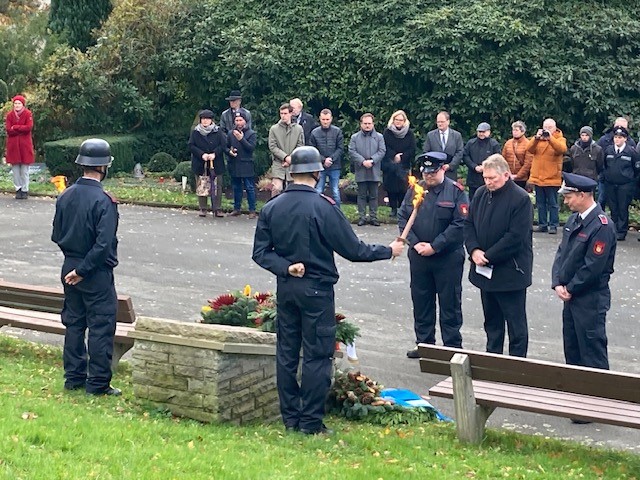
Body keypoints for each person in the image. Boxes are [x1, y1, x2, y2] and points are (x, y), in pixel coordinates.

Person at [252, 146, 404, 435]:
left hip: (287, 289)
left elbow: (260, 253)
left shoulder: (272, 207)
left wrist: (286, 268)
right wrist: (388, 250)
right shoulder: (323, 206)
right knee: (317, 355)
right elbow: (354, 249)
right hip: (317, 292)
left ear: (292, 172)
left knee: (286, 353)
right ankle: (310, 422)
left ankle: (291, 419)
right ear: (317, 172)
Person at [51, 138, 121, 396]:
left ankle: (73, 377)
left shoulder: (65, 195)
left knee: (74, 324)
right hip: (95, 272)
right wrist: (83, 271)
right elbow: (103, 245)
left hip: (69, 264)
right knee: (101, 325)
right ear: (104, 167)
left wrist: (74, 265)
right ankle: (98, 384)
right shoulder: (104, 201)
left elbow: (57, 235)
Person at [400, 152, 468, 358]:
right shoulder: (415, 190)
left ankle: (452, 348)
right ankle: (425, 344)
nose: (429, 176)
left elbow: (460, 224)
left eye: (433, 172)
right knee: (421, 302)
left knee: (450, 304)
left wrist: (435, 246)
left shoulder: (456, 192)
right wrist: (415, 242)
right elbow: (403, 217)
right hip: (420, 256)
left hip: (447, 257)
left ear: (443, 169)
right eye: (426, 172)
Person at [464, 154, 533, 357]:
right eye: (485, 178)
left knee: (515, 324)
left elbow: (516, 237)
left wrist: (488, 256)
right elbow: (469, 224)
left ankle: (517, 365)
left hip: (510, 272)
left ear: (506, 175)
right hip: (484, 271)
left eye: (492, 178)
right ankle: (492, 359)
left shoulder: (520, 199)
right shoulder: (480, 194)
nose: (488, 182)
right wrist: (474, 250)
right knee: (491, 322)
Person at [552, 172, 616, 373]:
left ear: (582, 195)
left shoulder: (601, 225)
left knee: (592, 354)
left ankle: (599, 401)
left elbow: (593, 266)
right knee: (572, 351)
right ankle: (574, 399)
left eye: (569, 196)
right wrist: (557, 282)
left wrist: (570, 287)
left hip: (589, 299)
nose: (566, 201)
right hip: (571, 298)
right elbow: (562, 254)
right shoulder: (574, 221)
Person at [527, 118, 567, 234]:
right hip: (538, 176)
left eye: (549, 128)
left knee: (553, 203)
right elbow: (529, 149)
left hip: (552, 176)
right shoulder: (538, 139)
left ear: (555, 128)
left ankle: (553, 225)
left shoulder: (560, 139)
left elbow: (562, 149)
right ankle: (542, 224)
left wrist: (551, 138)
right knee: (540, 203)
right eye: (545, 127)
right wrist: (536, 138)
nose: (547, 130)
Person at [602, 126, 640, 241]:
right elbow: (604, 165)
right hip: (610, 184)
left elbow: (636, 168)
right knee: (613, 208)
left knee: (623, 208)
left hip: (625, 185)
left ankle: (622, 231)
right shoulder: (608, 150)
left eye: (620, 137)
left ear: (625, 139)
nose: (617, 140)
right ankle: (613, 230)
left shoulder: (631, 152)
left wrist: (631, 181)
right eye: (616, 137)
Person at [348, 113, 386, 226]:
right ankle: (362, 217)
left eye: (369, 123)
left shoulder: (379, 137)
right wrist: (362, 161)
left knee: (374, 195)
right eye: (365, 123)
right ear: (361, 124)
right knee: (362, 195)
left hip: (374, 169)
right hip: (361, 169)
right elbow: (352, 151)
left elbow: (382, 151)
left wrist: (373, 160)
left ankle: (373, 217)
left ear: (373, 124)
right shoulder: (354, 137)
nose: (367, 126)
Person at [188, 109, 227, 217]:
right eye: (203, 119)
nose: (205, 121)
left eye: (207, 119)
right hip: (200, 163)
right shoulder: (195, 132)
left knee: (217, 186)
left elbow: (223, 145)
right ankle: (203, 208)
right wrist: (202, 154)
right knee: (202, 185)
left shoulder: (218, 131)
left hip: (216, 163)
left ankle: (217, 208)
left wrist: (214, 153)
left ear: (211, 120)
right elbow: (191, 146)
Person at [382, 110, 416, 218]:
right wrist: (394, 156)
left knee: (403, 188)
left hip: (404, 164)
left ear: (404, 121)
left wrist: (402, 157)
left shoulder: (409, 133)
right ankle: (393, 209)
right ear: (393, 120)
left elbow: (412, 149)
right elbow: (384, 147)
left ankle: (402, 208)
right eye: (396, 119)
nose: (398, 122)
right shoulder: (387, 132)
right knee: (391, 187)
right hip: (390, 164)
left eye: (401, 120)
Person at [596, 117, 636, 208]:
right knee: (601, 200)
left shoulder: (630, 142)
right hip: (605, 179)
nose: (620, 129)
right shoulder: (604, 140)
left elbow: (635, 164)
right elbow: (599, 159)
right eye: (618, 126)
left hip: (624, 182)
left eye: (623, 127)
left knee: (622, 206)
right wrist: (603, 173)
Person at [268, 103, 304, 197]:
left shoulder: (298, 129)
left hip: (293, 163)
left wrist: (291, 159)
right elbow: (272, 147)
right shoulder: (274, 129)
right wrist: (285, 157)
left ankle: (291, 211)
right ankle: (274, 209)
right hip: (278, 163)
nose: (283, 116)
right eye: (281, 113)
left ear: (291, 113)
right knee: (277, 188)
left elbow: (300, 146)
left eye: (285, 113)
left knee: (293, 190)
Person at [226, 111, 257, 218]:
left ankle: (252, 210)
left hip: (246, 164)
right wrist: (230, 152)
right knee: (236, 187)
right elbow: (226, 146)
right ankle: (237, 208)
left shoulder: (251, 133)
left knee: (249, 188)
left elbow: (251, 148)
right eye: (236, 120)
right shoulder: (231, 133)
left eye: (240, 120)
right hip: (234, 163)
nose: (238, 123)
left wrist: (241, 139)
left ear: (245, 121)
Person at [310, 108, 344, 205]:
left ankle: (337, 214)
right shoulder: (314, 133)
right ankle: (316, 212)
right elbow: (313, 149)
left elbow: (340, 148)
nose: (325, 122)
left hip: (335, 166)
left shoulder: (337, 131)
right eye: (323, 119)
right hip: (319, 166)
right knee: (318, 190)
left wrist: (331, 159)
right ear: (320, 119)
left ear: (331, 119)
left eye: (327, 119)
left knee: (335, 192)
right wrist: (323, 160)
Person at [4, 94, 35, 199]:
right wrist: (20, 129)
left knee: (24, 170)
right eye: (15, 103)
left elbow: (28, 127)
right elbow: (8, 129)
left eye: (19, 103)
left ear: (23, 105)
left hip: (25, 146)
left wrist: (16, 127)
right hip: (13, 146)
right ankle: (18, 189)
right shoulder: (9, 115)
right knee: (16, 170)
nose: (17, 105)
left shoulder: (28, 114)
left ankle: (25, 190)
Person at [462, 122, 501, 200]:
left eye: (483, 132)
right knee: (473, 201)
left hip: (489, 179)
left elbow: (497, 159)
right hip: (473, 178)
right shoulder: (471, 143)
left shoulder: (494, 144)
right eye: (479, 132)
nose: (481, 134)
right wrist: (474, 166)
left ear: (489, 132)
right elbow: (465, 156)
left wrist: (485, 167)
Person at [422, 111, 464, 181]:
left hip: (450, 173)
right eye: (438, 122)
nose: (440, 124)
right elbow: (426, 152)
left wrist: (450, 165)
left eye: (442, 122)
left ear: (448, 121)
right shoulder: (430, 135)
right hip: (435, 172)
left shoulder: (457, 136)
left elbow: (459, 152)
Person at [501, 120, 532, 189]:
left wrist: (517, 176)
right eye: (513, 130)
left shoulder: (528, 144)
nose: (514, 132)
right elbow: (503, 160)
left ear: (522, 132)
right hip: (508, 176)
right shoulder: (508, 143)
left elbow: (528, 163)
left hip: (522, 179)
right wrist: (508, 173)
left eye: (516, 130)